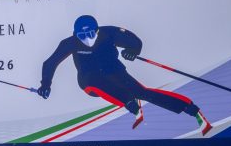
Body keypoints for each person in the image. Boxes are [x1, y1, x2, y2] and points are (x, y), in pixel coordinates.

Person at [38, 15, 212, 135]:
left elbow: (134, 41)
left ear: (96, 31)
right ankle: (129, 102)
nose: (86, 39)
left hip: (114, 72)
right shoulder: (70, 43)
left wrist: (132, 51)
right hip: (89, 78)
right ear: (75, 34)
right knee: (92, 81)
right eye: (81, 36)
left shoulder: (109, 33)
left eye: (89, 34)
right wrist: (46, 84)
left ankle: (190, 109)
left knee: (142, 92)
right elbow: (50, 62)